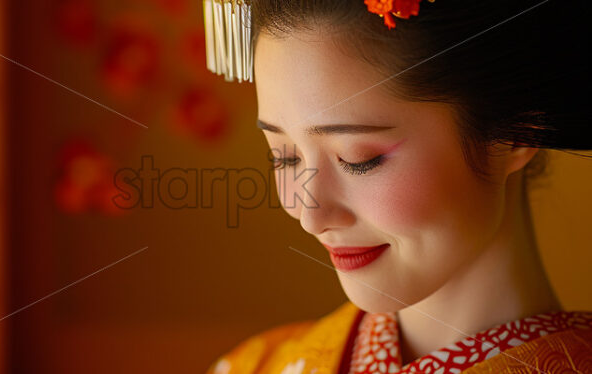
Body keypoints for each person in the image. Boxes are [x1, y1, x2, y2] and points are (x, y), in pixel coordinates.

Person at [203, 0, 592, 373]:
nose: (310, 216)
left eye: (358, 159)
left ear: (514, 133)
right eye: (284, 156)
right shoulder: (253, 366)